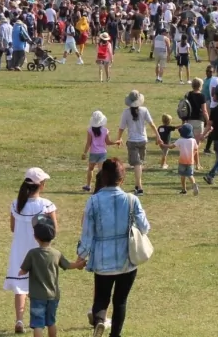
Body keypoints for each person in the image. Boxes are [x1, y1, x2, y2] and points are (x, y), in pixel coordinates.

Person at [77, 158, 149, 337]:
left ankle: (100, 321)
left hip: (102, 259)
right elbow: (145, 227)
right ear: (122, 178)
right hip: (127, 259)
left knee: (101, 298)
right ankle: (115, 335)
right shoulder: (132, 200)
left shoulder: (93, 201)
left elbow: (87, 233)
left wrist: (81, 255)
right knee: (120, 301)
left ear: (103, 178)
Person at [4, 167, 58, 334]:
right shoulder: (46, 205)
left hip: (20, 249)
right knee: (39, 286)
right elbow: (53, 230)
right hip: (39, 250)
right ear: (40, 185)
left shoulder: (16, 204)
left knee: (20, 286)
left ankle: (19, 319)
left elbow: (13, 228)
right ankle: (39, 321)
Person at [18, 216, 82, 337]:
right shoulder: (56, 253)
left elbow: (23, 270)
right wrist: (79, 264)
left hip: (37, 296)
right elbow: (68, 265)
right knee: (51, 322)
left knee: (38, 324)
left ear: (35, 237)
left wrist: (21, 272)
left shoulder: (32, 253)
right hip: (53, 296)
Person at [114, 91, 163, 196]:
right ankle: (137, 186)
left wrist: (118, 139)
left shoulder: (126, 112)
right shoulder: (144, 110)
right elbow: (152, 125)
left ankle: (139, 187)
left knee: (137, 164)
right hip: (143, 140)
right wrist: (158, 137)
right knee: (139, 163)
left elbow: (121, 128)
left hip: (132, 141)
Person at [83, 111, 114, 192]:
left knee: (90, 169)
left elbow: (88, 143)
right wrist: (116, 142)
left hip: (93, 152)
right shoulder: (105, 130)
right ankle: (101, 186)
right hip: (102, 153)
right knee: (101, 171)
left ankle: (88, 185)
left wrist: (85, 153)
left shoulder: (90, 130)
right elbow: (108, 142)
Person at [170, 123, 199, 195]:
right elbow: (196, 149)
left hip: (182, 161)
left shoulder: (180, 140)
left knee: (182, 175)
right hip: (190, 161)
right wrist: (193, 156)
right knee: (190, 175)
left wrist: (164, 145)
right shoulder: (193, 140)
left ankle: (184, 189)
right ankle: (194, 184)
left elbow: (171, 146)